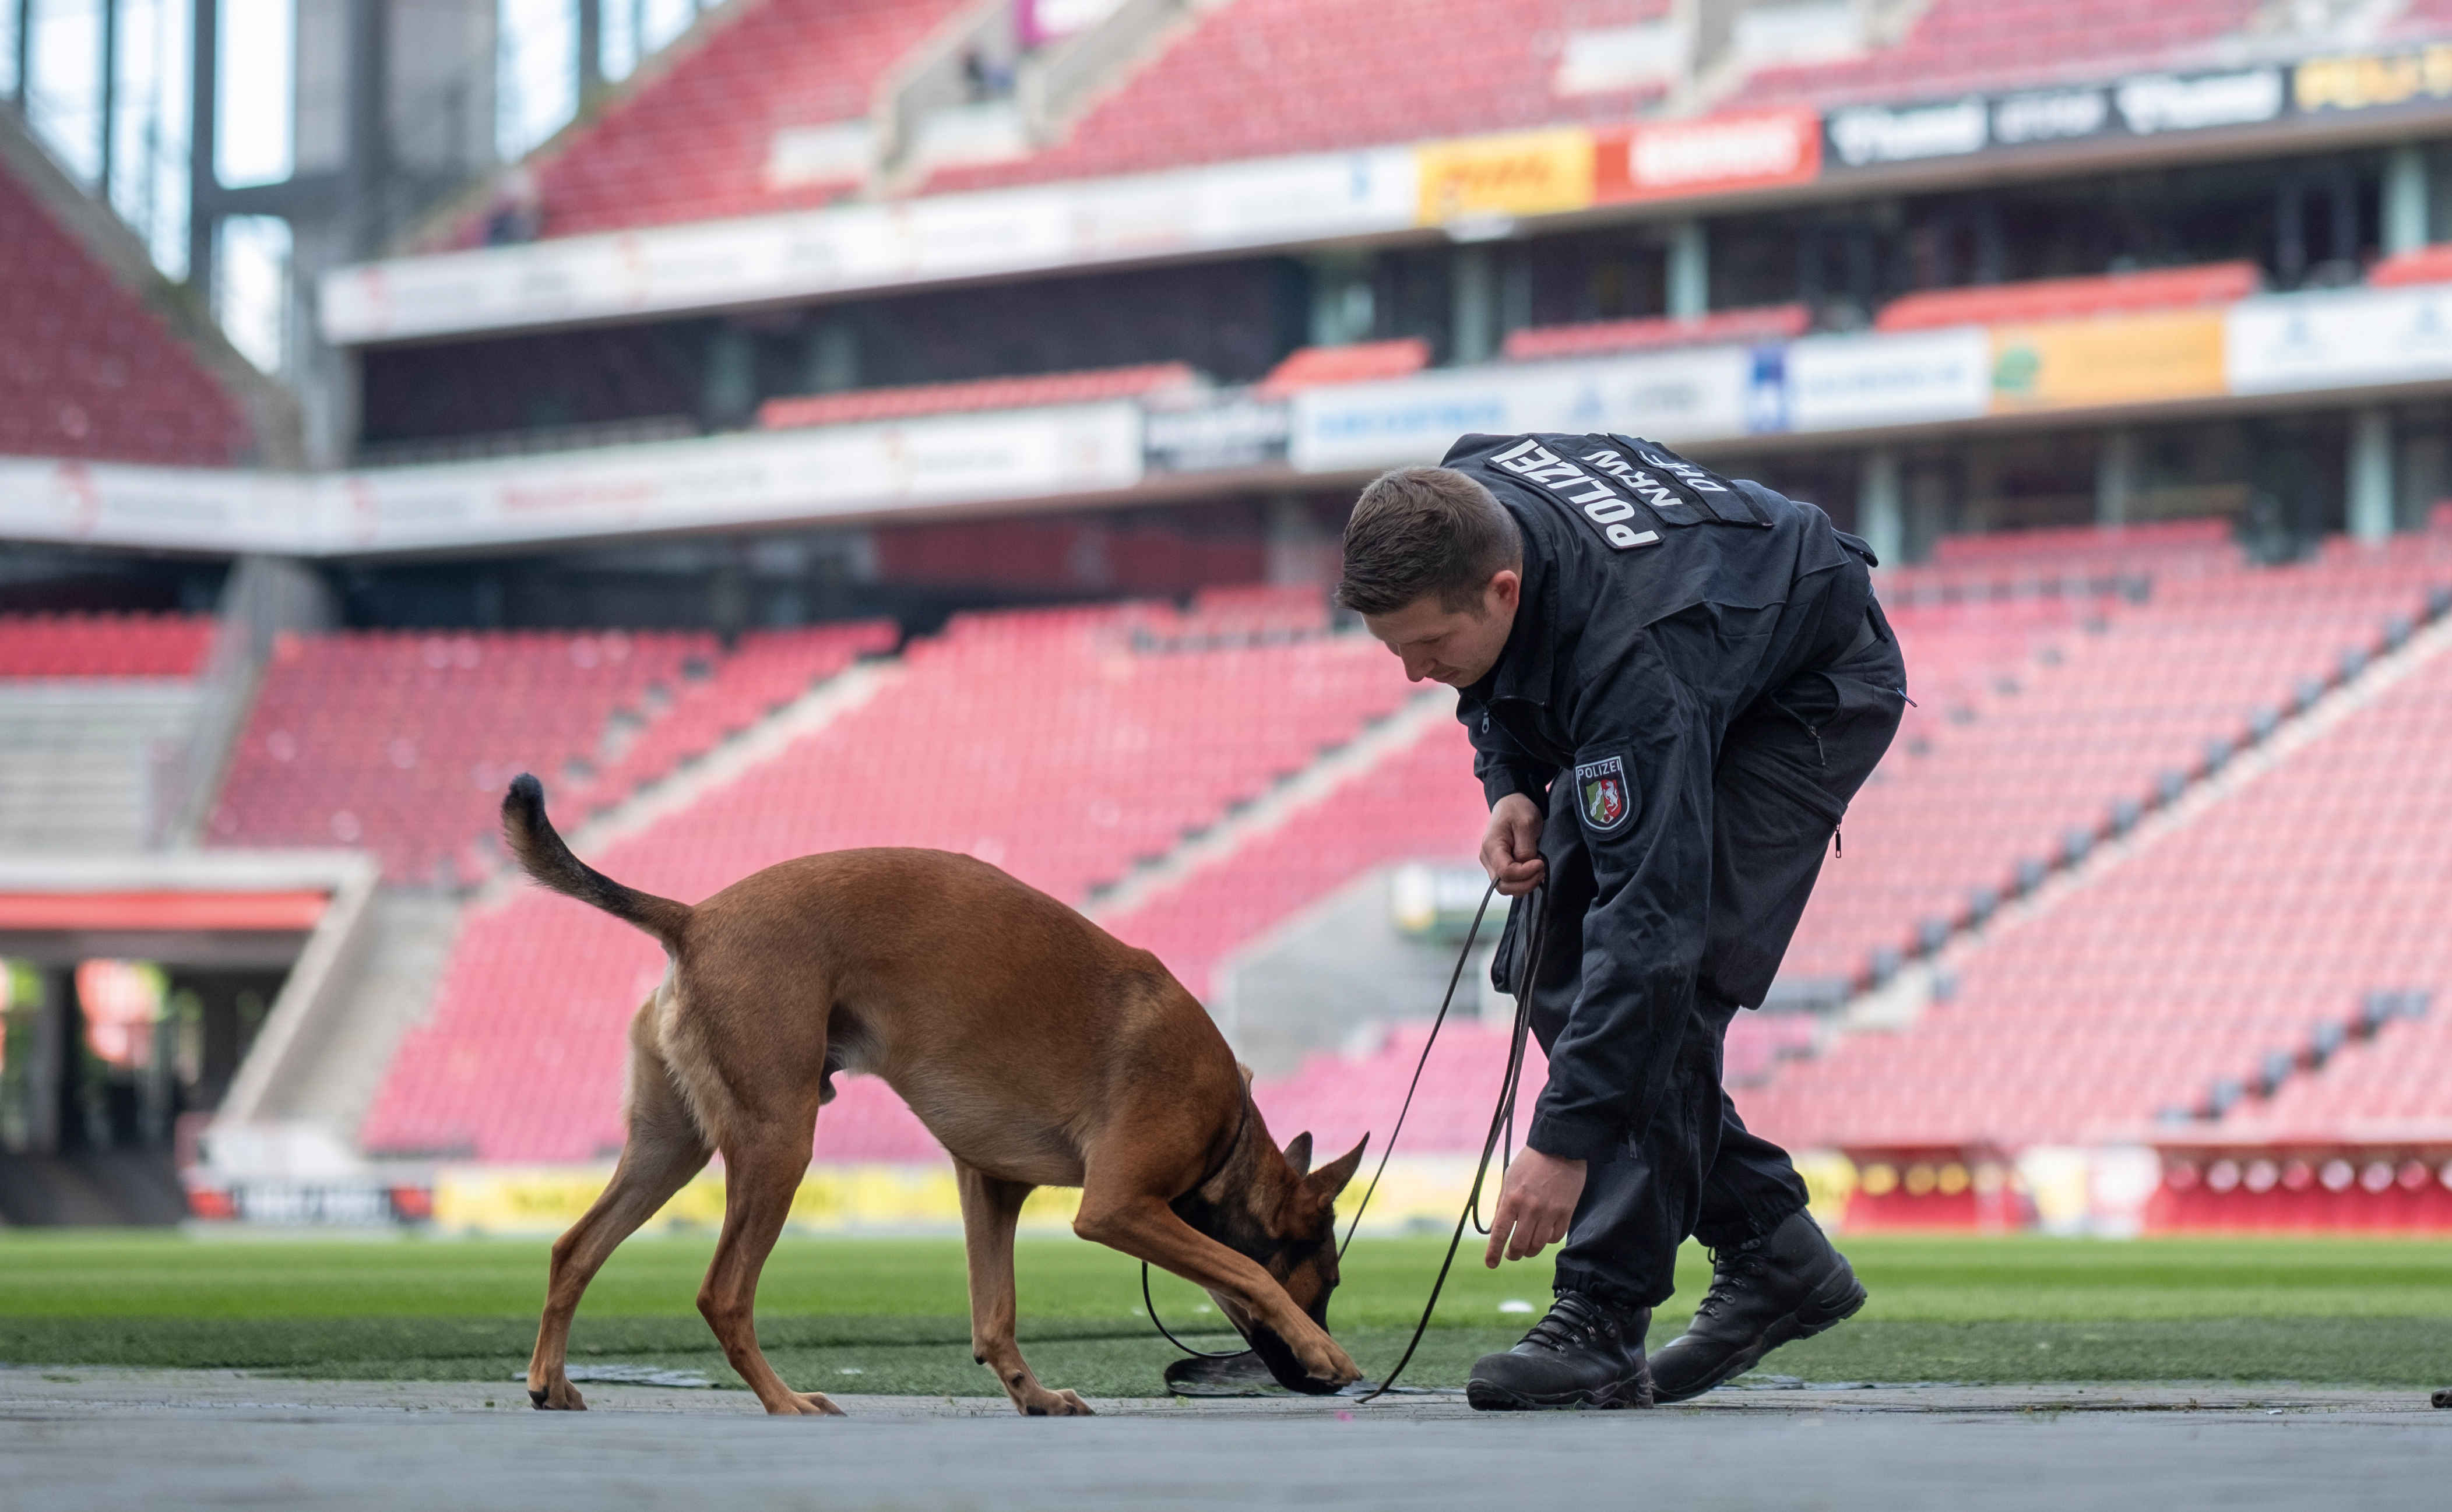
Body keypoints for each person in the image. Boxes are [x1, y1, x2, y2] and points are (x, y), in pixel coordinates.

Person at [1338, 433, 1908, 1411]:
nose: (1414, 675)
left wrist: (1563, 1144)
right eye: (1396, 648)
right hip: (1688, 649)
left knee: (1666, 994)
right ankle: (1774, 1249)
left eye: (1428, 647)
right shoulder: (1458, 498)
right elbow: (1491, 684)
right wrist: (1511, 778)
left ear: (1504, 592)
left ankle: (1602, 1316)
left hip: (1803, 694)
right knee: (1550, 966)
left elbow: (1655, 935)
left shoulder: (1632, 657)